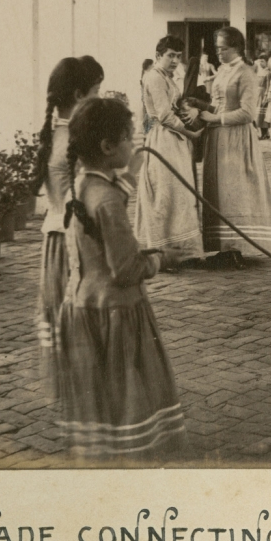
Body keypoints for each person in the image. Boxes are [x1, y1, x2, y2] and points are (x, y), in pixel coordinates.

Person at [56, 96, 186, 460]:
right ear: (108, 146)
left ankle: (109, 457)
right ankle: (133, 458)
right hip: (116, 311)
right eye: (129, 137)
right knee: (126, 391)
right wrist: (160, 258)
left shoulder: (82, 185)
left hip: (84, 307)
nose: (135, 143)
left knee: (102, 397)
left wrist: (133, 162)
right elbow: (126, 269)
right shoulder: (107, 202)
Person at [30, 57, 103, 393]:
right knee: (84, 309)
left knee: (63, 309)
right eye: (95, 93)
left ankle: (74, 382)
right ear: (78, 94)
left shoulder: (53, 133)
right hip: (76, 240)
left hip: (54, 238)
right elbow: (93, 193)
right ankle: (87, 386)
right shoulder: (76, 138)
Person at [199, 26, 271, 268]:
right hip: (218, 138)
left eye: (223, 48)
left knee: (233, 189)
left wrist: (215, 118)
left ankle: (235, 247)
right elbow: (218, 102)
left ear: (236, 47)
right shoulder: (224, 70)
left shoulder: (245, 72)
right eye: (217, 48)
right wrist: (201, 107)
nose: (219, 53)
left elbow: (247, 113)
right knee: (219, 189)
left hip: (235, 139)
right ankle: (222, 246)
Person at [132, 35, 204, 271]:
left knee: (179, 193)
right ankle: (162, 253)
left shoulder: (167, 78)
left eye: (177, 56)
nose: (174, 60)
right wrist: (191, 134)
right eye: (170, 55)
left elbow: (174, 106)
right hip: (163, 139)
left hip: (174, 140)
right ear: (158, 56)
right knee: (164, 193)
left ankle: (181, 251)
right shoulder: (153, 77)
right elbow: (163, 115)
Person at [254, 53, 271, 140]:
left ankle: (265, 133)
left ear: (266, 62)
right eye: (259, 61)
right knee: (258, 115)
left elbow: (268, 85)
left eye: (262, 61)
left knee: (263, 115)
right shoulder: (258, 71)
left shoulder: (268, 72)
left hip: (263, 93)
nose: (261, 63)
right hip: (257, 93)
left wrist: (266, 95)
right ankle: (264, 133)